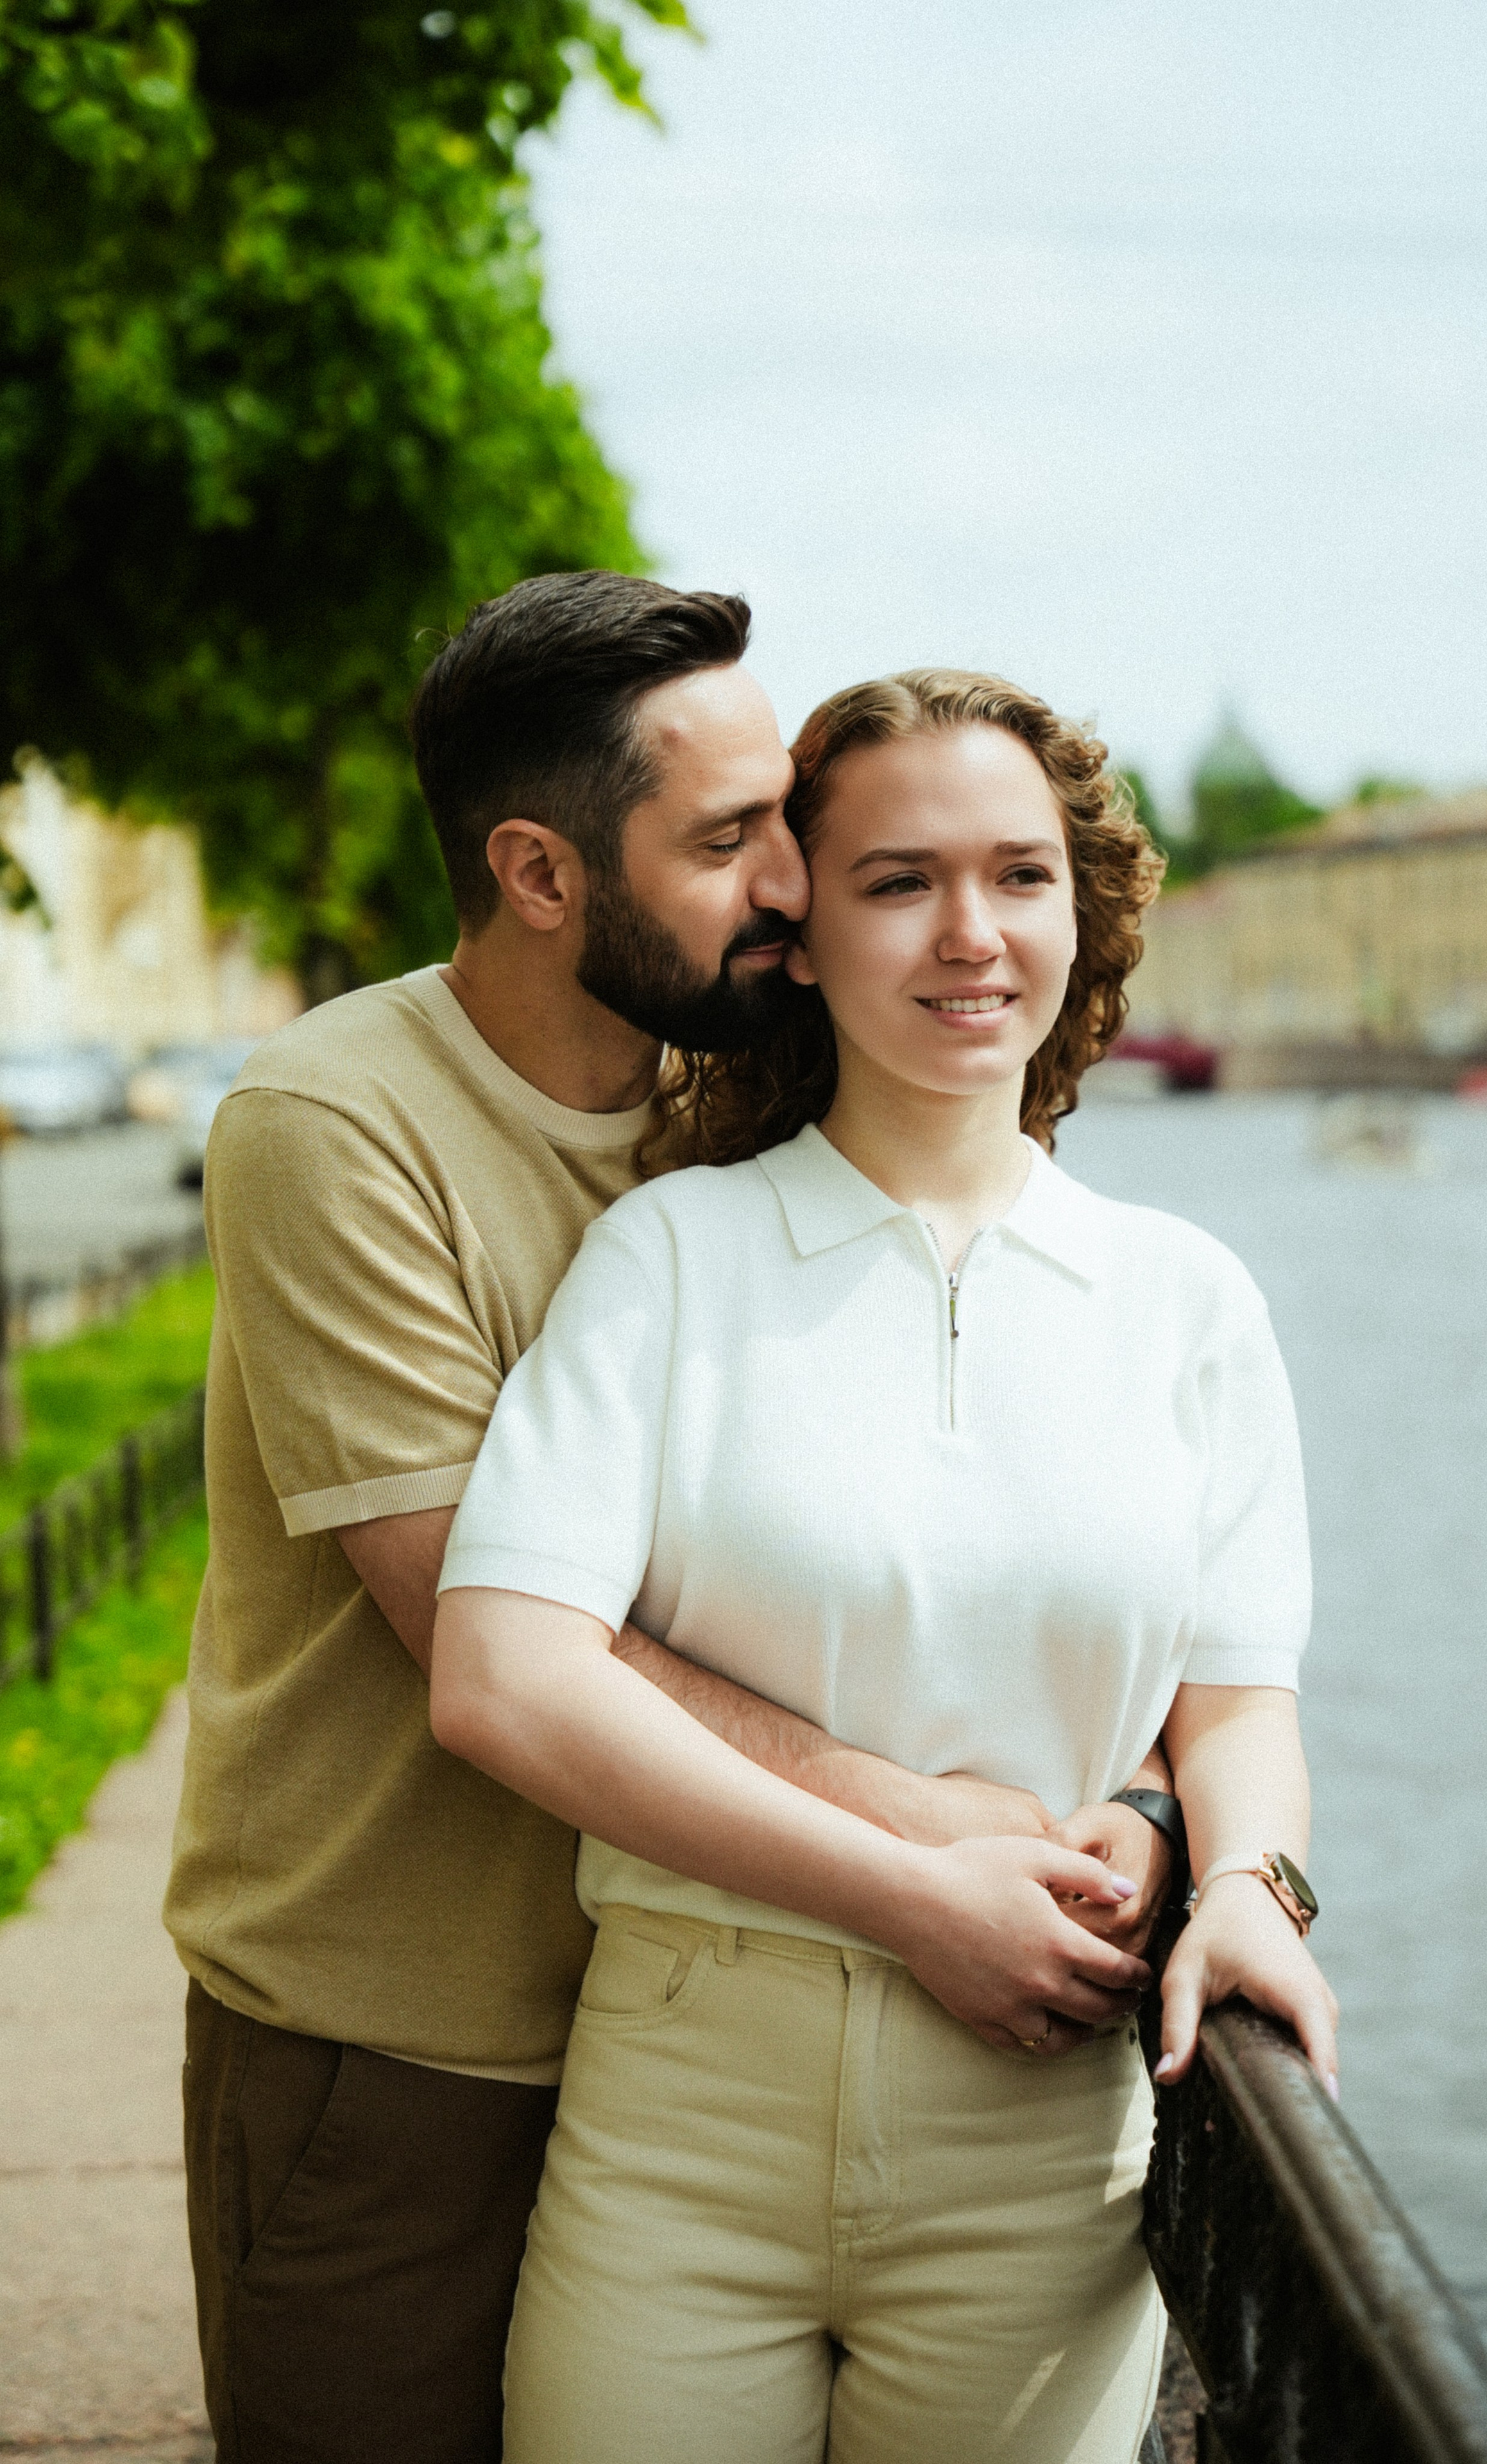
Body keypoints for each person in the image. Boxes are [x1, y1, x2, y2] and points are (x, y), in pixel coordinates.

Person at [165, 577, 1175, 2464]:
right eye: (728, 843)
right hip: (402, 2042)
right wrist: (923, 1819)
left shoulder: (733, 1087)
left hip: (700, 2026)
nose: (793, 885)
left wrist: (1177, 1815)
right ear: (542, 876)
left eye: (786, 825)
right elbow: (477, 1622)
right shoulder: (333, 1122)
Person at [431, 668, 1339, 2464]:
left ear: (1082, 915)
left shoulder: (1189, 1306)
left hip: (1046, 2144)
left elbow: (1236, 1703)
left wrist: (1248, 1882)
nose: (969, 935)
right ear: (805, 927)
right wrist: (908, 1896)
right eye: (898, 879)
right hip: (683, 2122)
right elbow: (501, 1676)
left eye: (1018, 876)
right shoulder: (672, 1259)